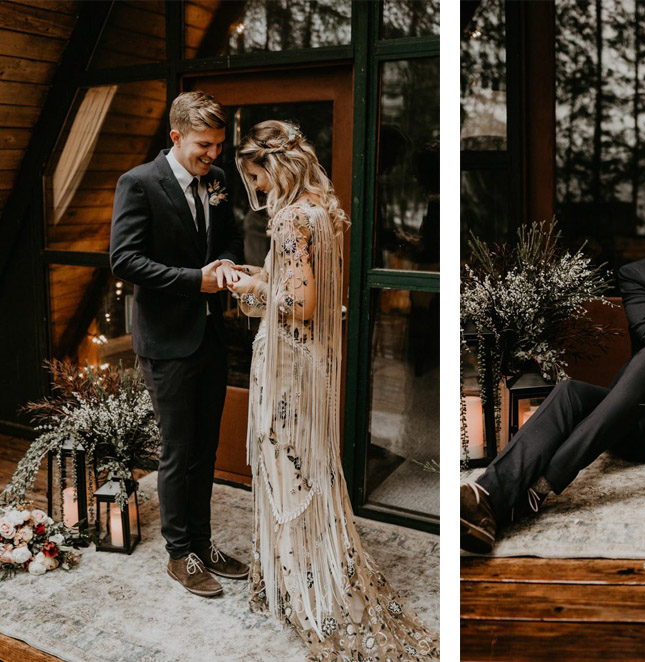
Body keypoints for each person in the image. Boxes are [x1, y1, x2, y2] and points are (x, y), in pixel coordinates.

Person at [226, 120, 439, 661]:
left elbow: (299, 304)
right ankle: (305, 570)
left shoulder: (292, 218)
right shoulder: (322, 208)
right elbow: (305, 288)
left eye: (259, 178)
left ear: (275, 168)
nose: (260, 190)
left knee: (287, 467)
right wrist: (263, 274)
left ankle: (306, 587)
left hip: (285, 365)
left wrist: (251, 285)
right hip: (309, 363)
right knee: (308, 466)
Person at [461, 193, 645, 553]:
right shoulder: (640, 275)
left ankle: (537, 487)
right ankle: (485, 496)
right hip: (635, 419)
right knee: (578, 389)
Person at [110, 91, 248, 597]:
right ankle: (179, 554)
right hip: (166, 340)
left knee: (206, 449)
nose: (213, 154)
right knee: (178, 449)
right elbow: (124, 260)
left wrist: (228, 266)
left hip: (210, 334)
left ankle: (204, 542)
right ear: (176, 137)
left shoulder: (217, 182)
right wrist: (197, 281)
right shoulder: (140, 184)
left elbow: (231, 240)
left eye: (218, 144)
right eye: (203, 145)